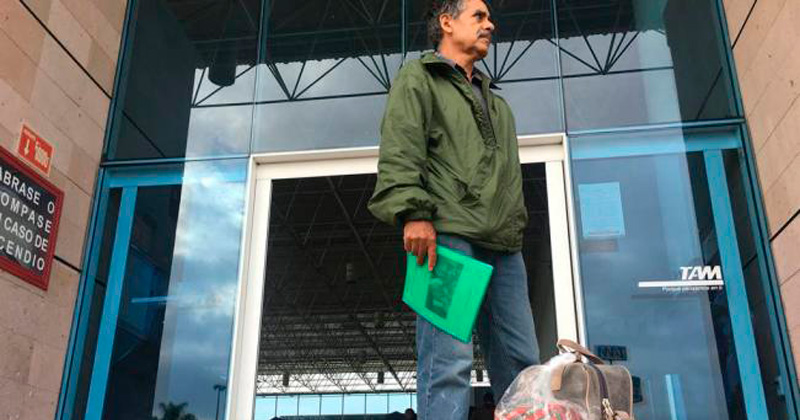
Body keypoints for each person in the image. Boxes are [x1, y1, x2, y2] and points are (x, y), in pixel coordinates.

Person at [368, 0, 540, 418]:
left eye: (489, 18)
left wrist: (515, 227)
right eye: (479, 16)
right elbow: (401, 147)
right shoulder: (418, 77)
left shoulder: (498, 105)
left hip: (503, 245)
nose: (490, 25)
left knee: (523, 365)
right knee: (448, 362)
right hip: (445, 238)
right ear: (446, 22)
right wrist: (413, 213)